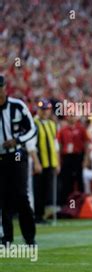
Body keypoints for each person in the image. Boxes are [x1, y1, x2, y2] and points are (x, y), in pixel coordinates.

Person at [0, 74, 37, 245]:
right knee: (4, 198)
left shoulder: (17, 106)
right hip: (1, 157)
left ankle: (29, 237)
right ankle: (6, 238)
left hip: (16, 154)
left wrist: (17, 140)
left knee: (22, 195)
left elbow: (32, 129)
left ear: (4, 88)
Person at [33, 98, 60, 224]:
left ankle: (45, 214)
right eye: (42, 109)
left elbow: (55, 144)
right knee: (38, 189)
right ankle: (37, 215)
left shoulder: (52, 124)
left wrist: (58, 162)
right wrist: (35, 161)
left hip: (51, 161)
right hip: (39, 161)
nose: (45, 112)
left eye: (47, 109)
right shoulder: (33, 123)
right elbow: (31, 145)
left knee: (48, 189)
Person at [57, 114, 89, 205]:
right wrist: (59, 160)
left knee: (79, 180)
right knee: (67, 181)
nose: (72, 117)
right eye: (70, 116)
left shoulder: (81, 129)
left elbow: (86, 144)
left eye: (73, 115)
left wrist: (86, 159)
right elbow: (59, 145)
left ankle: (80, 204)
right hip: (67, 157)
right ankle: (67, 204)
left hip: (78, 156)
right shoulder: (63, 130)